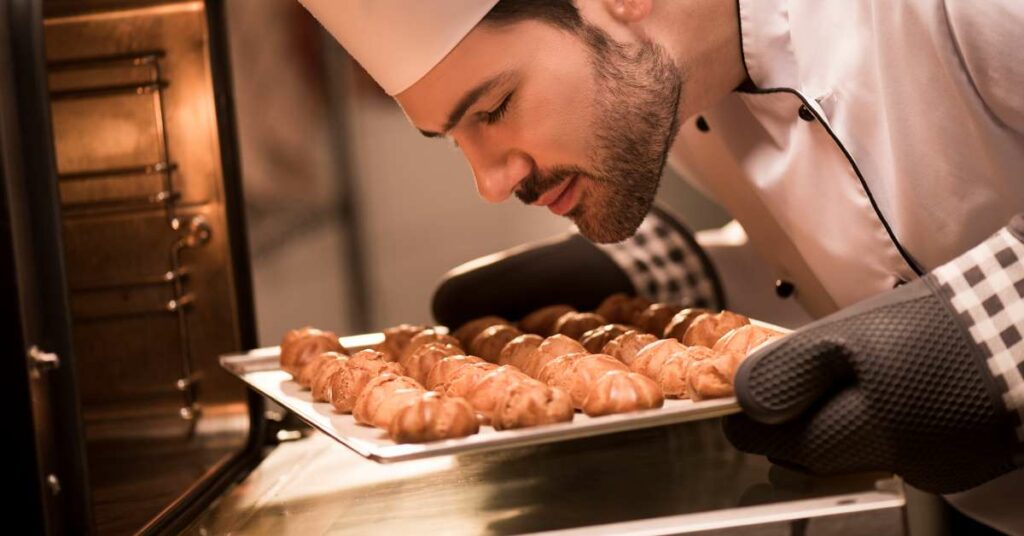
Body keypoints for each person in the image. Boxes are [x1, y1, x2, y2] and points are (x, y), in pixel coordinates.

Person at [298, 0, 1024, 531]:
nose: (490, 182)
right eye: (451, 137)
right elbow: (870, 251)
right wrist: (674, 286)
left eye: (492, 109)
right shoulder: (677, 88)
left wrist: (980, 341)